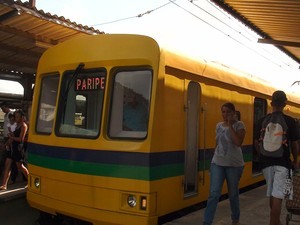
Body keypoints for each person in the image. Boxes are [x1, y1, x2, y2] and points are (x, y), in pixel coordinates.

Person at [254, 90, 299, 225]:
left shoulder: (261, 121)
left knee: (272, 193)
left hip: (266, 163)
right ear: (285, 104)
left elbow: (256, 142)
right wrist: (295, 159)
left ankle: (276, 221)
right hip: (283, 163)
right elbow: (295, 144)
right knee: (278, 196)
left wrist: (262, 154)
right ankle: (274, 222)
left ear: (271, 102)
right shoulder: (290, 121)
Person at [203, 102, 246, 225]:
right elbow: (217, 144)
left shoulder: (240, 125)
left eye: (228, 112)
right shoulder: (218, 126)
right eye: (223, 112)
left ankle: (235, 219)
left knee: (233, 194)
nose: (225, 114)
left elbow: (238, 142)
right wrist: (212, 162)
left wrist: (231, 125)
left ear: (233, 113)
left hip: (234, 165)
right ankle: (207, 222)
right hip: (218, 163)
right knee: (214, 194)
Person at [0, 110, 29, 190]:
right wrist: (6, 144)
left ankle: (30, 180)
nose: (15, 119)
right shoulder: (17, 125)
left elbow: (20, 139)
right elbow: (13, 137)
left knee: (20, 166)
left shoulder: (24, 126)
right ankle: (4, 184)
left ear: (22, 117)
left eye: (17, 117)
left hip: (18, 148)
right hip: (12, 147)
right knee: (7, 165)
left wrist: (12, 137)